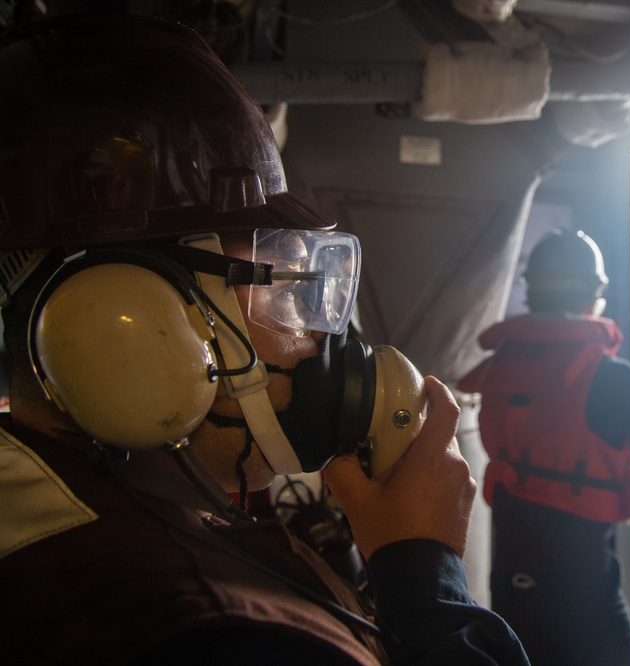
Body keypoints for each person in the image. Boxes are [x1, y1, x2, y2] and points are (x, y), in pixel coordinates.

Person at [0, 14, 528, 665]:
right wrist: (425, 575)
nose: (312, 336)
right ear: (127, 321)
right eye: (280, 288)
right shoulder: (214, 634)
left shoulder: (57, 519)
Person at [458, 228, 630, 666]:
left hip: (511, 569)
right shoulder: (615, 379)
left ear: (531, 292)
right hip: (582, 584)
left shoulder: (500, 368)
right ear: (592, 296)